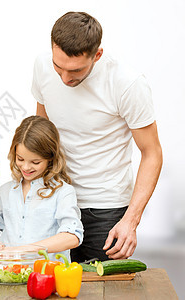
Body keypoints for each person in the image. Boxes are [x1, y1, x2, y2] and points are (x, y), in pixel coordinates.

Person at [31, 11, 163, 262]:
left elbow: (152, 153)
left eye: (76, 70)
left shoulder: (127, 83)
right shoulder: (42, 65)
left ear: (97, 55)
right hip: (55, 199)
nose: (66, 78)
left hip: (105, 208)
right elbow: (42, 131)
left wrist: (130, 221)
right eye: (59, 68)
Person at [0, 116, 83, 260]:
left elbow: (72, 236)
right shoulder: (4, 192)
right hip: (10, 272)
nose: (26, 167)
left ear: (50, 158)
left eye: (35, 162)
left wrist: (26, 250)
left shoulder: (63, 192)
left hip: (47, 274)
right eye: (20, 159)